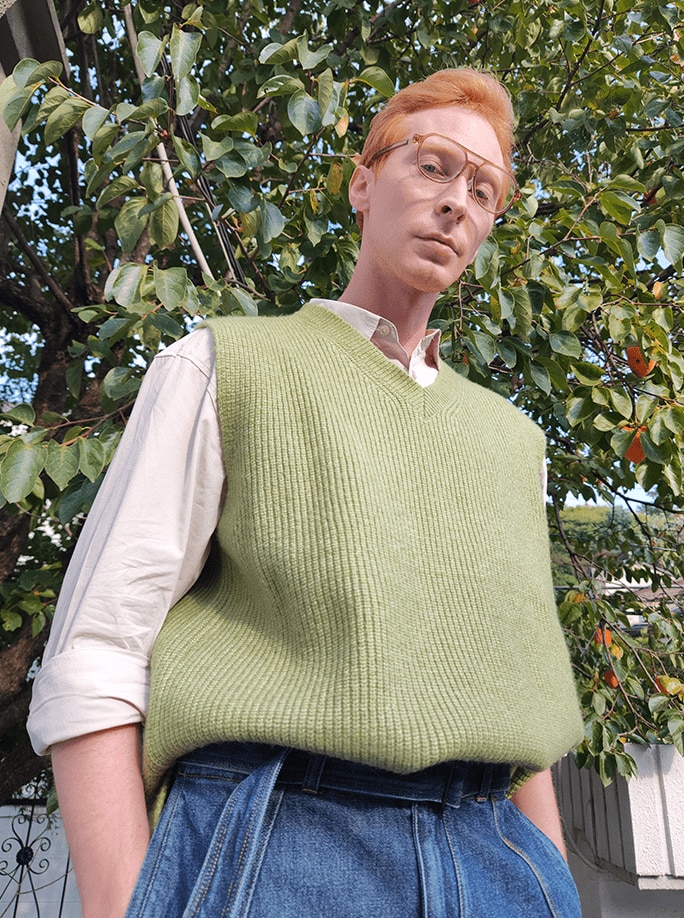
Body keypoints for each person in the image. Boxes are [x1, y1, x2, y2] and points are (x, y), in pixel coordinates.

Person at [28, 68, 584, 918]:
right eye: (433, 165)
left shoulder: (515, 441)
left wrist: (550, 873)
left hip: (494, 851)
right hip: (273, 838)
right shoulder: (225, 365)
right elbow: (98, 647)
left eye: (484, 188)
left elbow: (519, 692)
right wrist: (120, 904)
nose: (457, 202)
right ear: (363, 182)